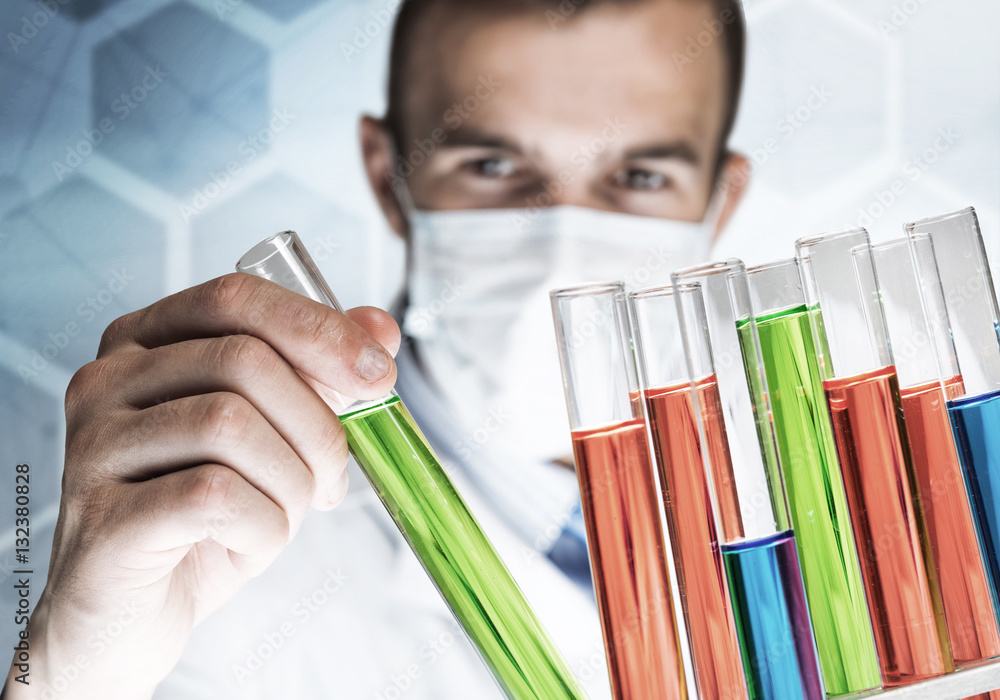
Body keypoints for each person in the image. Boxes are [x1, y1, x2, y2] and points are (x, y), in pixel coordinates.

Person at [5, 0, 749, 697]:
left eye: (642, 176)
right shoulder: (210, 551)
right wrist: (72, 670)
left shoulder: (819, 476)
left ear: (724, 202)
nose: (557, 247)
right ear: (387, 175)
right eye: (491, 167)